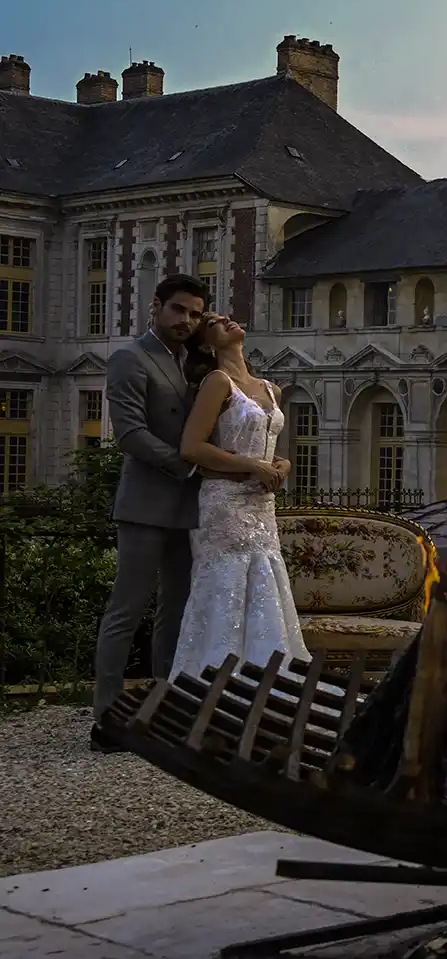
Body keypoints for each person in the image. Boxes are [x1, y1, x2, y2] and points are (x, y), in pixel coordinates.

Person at [92, 275, 226, 747]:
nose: (185, 321)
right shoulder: (131, 357)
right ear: (156, 307)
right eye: (178, 310)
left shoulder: (194, 362)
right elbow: (130, 435)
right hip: (148, 503)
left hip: (189, 508)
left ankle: (164, 711)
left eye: (195, 314)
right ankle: (105, 719)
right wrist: (188, 467)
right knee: (125, 613)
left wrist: (215, 342)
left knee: (177, 611)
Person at [168, 312, 307, 688]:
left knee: (266, 588)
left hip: (262, 506)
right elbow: (191, 447)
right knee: (225, 590)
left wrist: (283, 465)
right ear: (207, 344)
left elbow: (277, 449)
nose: (226, 320)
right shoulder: (217, 381)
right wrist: (253, 467)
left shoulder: (270, 388)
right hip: (225, 504)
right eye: (214, 322)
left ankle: (268, 686)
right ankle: (214, 686)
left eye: (225, 317)